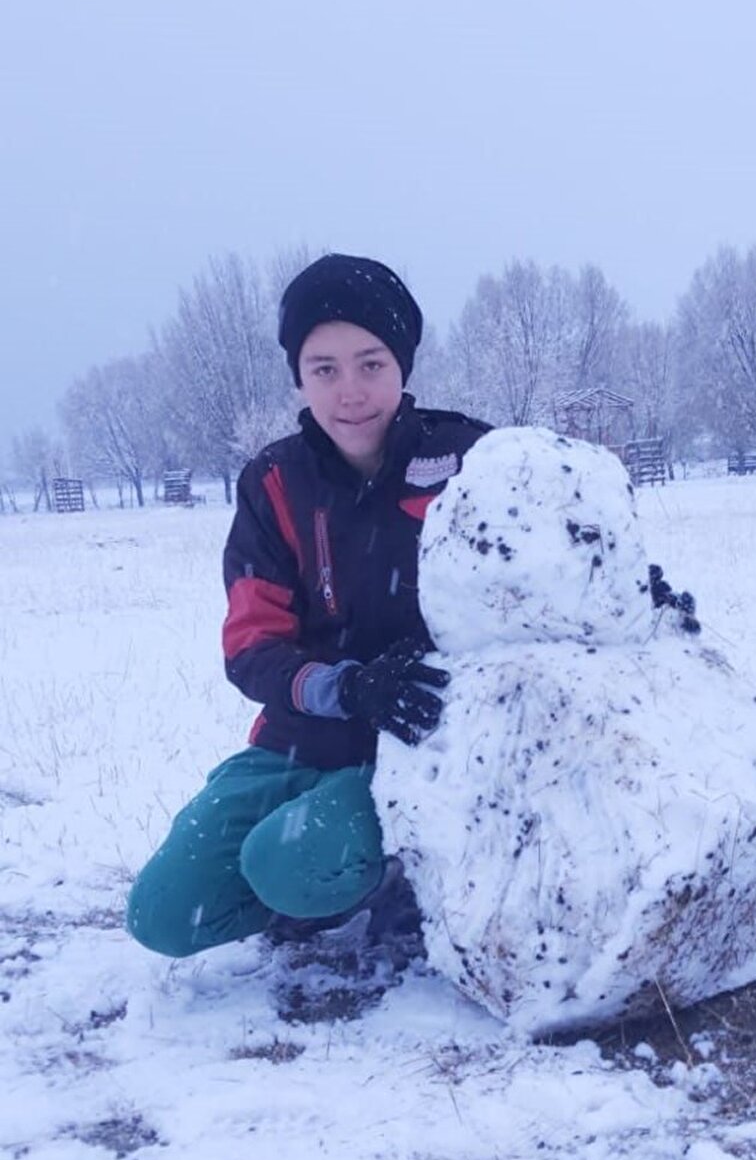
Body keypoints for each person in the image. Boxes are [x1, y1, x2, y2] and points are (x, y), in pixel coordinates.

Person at [126, 253, 490, 958]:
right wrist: (345, 686)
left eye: (371, 363)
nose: (350, 390)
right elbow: (251, 644)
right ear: (298, 375)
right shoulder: (272, 482)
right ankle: (312, 879)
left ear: (402, 365)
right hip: (301, 738)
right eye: (324, 368)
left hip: (420, 752)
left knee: (287, 863)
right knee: (164, 914)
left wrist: (635, 588)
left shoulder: (469, 456)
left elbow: (562, 545)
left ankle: (402, 871)